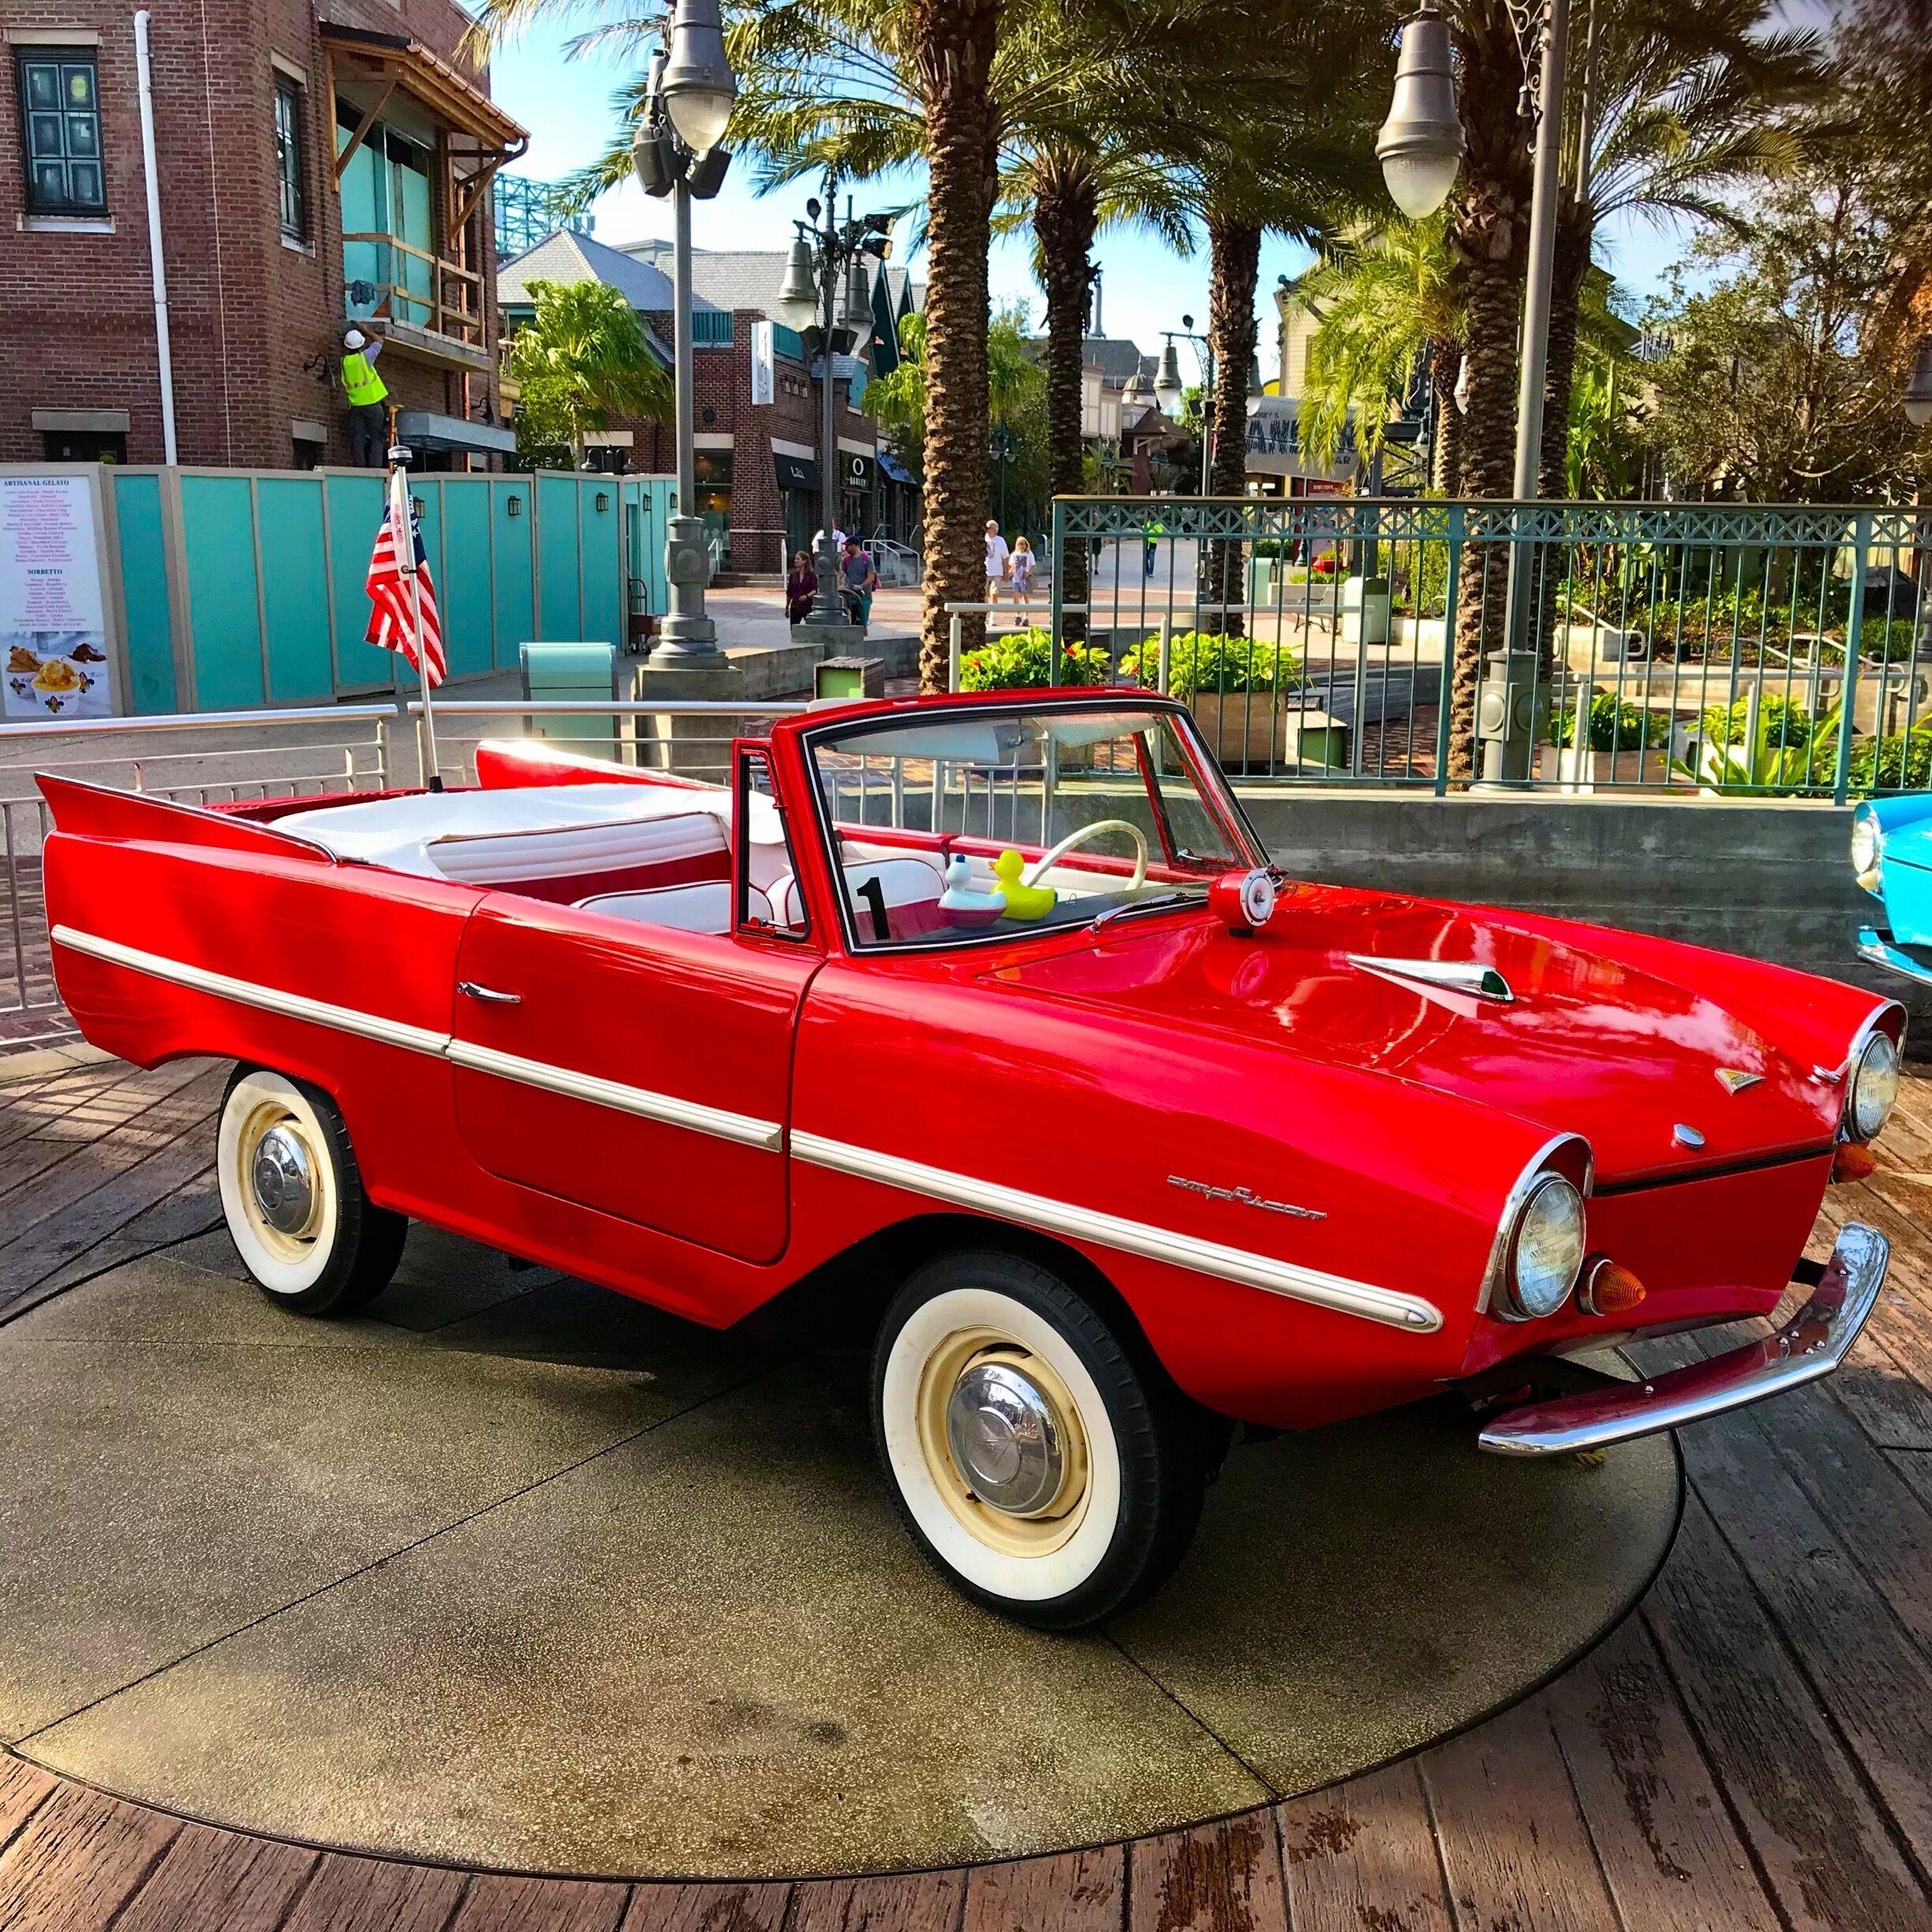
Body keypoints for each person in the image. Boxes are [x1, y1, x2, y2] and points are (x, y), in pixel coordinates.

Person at [339, 327, 388, 468]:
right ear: (361, 344)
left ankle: (359, 468)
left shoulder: (344, 362)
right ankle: (375, 468)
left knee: (358, 439)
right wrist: (366, 330)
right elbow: (379, 341)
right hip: (372, 404)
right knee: (377, 437)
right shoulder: (365, 357)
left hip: (356, 406)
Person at [841, 537, 878, 631]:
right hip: (849, 595)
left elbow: (871, 577)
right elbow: (841, 574)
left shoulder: (867, 559)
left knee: (862, 621)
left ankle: (862, 635)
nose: (846, 548)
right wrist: (840, 585)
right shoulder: (846, 560)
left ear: (854, 546)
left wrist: (860, 586)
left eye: (847, 546)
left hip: (864, 596)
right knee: (849, 619)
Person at [785, 552, 817, 624]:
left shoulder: (811, 575)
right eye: (795, 559)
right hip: (795, 606)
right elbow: (789, 592)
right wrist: (787, 607)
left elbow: (815, 589)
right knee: (794, 629)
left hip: (808, 606)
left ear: (804, 561)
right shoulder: (793, 575)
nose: (795, 561)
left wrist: (807, 596)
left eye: (798, 559)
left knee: (810, 628)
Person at [985, 519, 1010, 604]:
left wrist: (1006, 573)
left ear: (994, 529)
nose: (987, 529)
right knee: (984, 594)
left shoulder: (1001, 541)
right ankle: (986, 613)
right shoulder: (982, 539)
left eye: (989, 528)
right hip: (984, 572)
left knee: (994, 593)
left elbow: (1005, 557)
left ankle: (993, 613)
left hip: (997, 572)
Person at [1009, 534, 1036, 608]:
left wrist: (1028, 572)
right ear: (1017, 545)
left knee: (1025, 597)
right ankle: (1017, 615)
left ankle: (1026, 616)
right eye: (1020, 544)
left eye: (1023, 544)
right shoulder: (1014, 555)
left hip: (1025, 579)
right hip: (1016, 579)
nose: (1022, 546)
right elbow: (1012, 567)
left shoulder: (1029, 554)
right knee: (1016, 597)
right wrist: (1007, 576)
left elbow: (1033, 565)